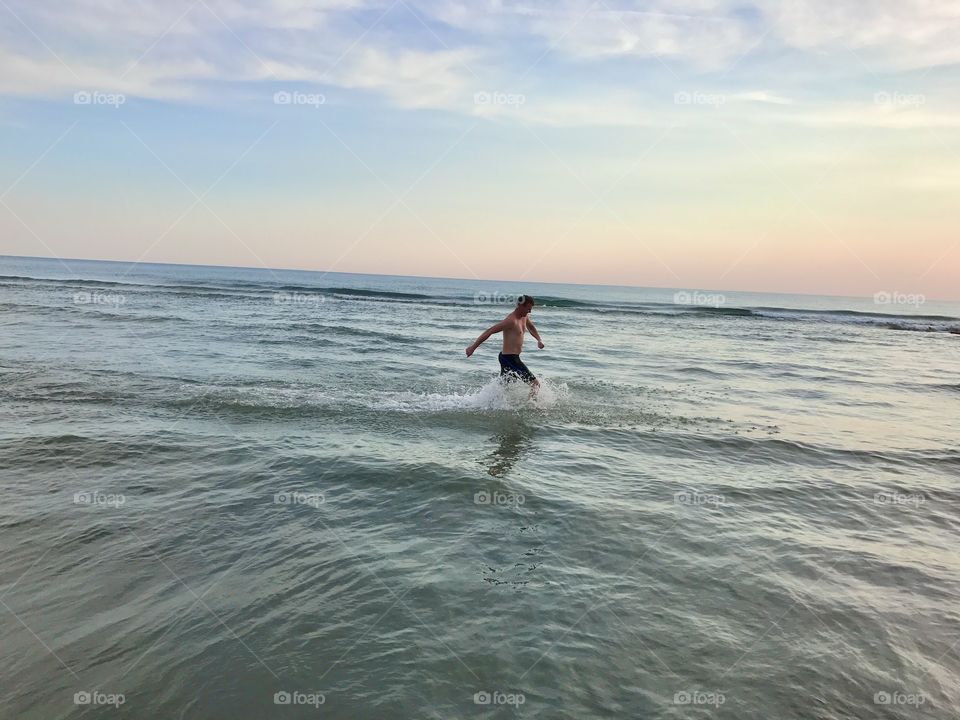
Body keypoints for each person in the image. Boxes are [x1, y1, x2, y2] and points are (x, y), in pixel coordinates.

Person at [465, 294, 544, 394]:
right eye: (528, 309)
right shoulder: (511, 321)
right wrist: (473, 347)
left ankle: (490, 402)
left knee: (504, 388)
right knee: (535, 384)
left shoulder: (524, 317)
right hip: (510, 359)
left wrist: (539, 340)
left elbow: (531, 327)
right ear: (520, 306)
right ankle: (532, 408)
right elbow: (490, 331)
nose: (530, 312)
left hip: (508, 357)